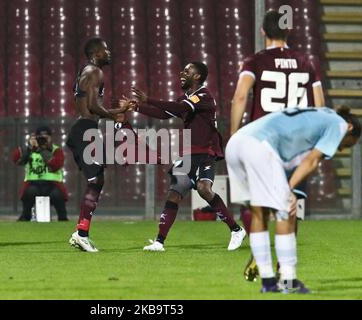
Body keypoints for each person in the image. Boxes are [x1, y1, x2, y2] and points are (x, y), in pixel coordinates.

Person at [230, 10, 326, 281]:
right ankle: (286, 269)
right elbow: (319, 105)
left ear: (263, 32)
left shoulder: (255, 61)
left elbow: (240, 97)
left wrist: (236, 134)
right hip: (296, 145)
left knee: (255, 207)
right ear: (287, 32)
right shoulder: (307, 62)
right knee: (290, 206)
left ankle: (260, 258)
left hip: (262, 143)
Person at [226, 106, 361, 294]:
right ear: (350, 128)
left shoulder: (322, 114)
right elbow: (311, 161)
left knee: (259, 213)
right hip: (259, 147)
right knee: (286, 213)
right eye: (346, 144)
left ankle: (268, 282)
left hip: (236, 143)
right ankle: (289, 281)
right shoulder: (338, 124)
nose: (339, 148)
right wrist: (289, 190)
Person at [122, 62, 246, 252]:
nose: (182, 72)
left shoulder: (204, 96)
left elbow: (178, 108)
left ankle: (236, 230)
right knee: (175, 193)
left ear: (197, 76)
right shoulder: (186, 98)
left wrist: (148, 99)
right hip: (189, 154)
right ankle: (159, 242)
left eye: (187, 71)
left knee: (204, 189)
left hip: (206, 152)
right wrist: (137, 107)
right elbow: (165, 113)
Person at [67, 37, 126, 252]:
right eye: (105, 49)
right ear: (95, 53)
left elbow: (92, 104)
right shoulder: (95, 72)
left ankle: (81, 232)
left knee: (98, 179)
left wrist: (111, 114)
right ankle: (81, 234)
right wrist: (117, 113)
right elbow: (92, 105)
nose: (108, 52)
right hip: (85, 130)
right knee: (95, 179)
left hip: (85, 129)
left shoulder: (88, 71)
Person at [12, 125, 69, 222]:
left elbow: (56, 165)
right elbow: (17, 160)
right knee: (29, 193)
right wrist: (29, 148)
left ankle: (62, 217)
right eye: (41, 138)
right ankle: (25, 216)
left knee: (57, 195)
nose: (43, 140)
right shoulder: (29, 150)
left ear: (51, 138)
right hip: (33, 183)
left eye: (46, 138)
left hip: (53, 184)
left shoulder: (56, 150)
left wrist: (42, 150)